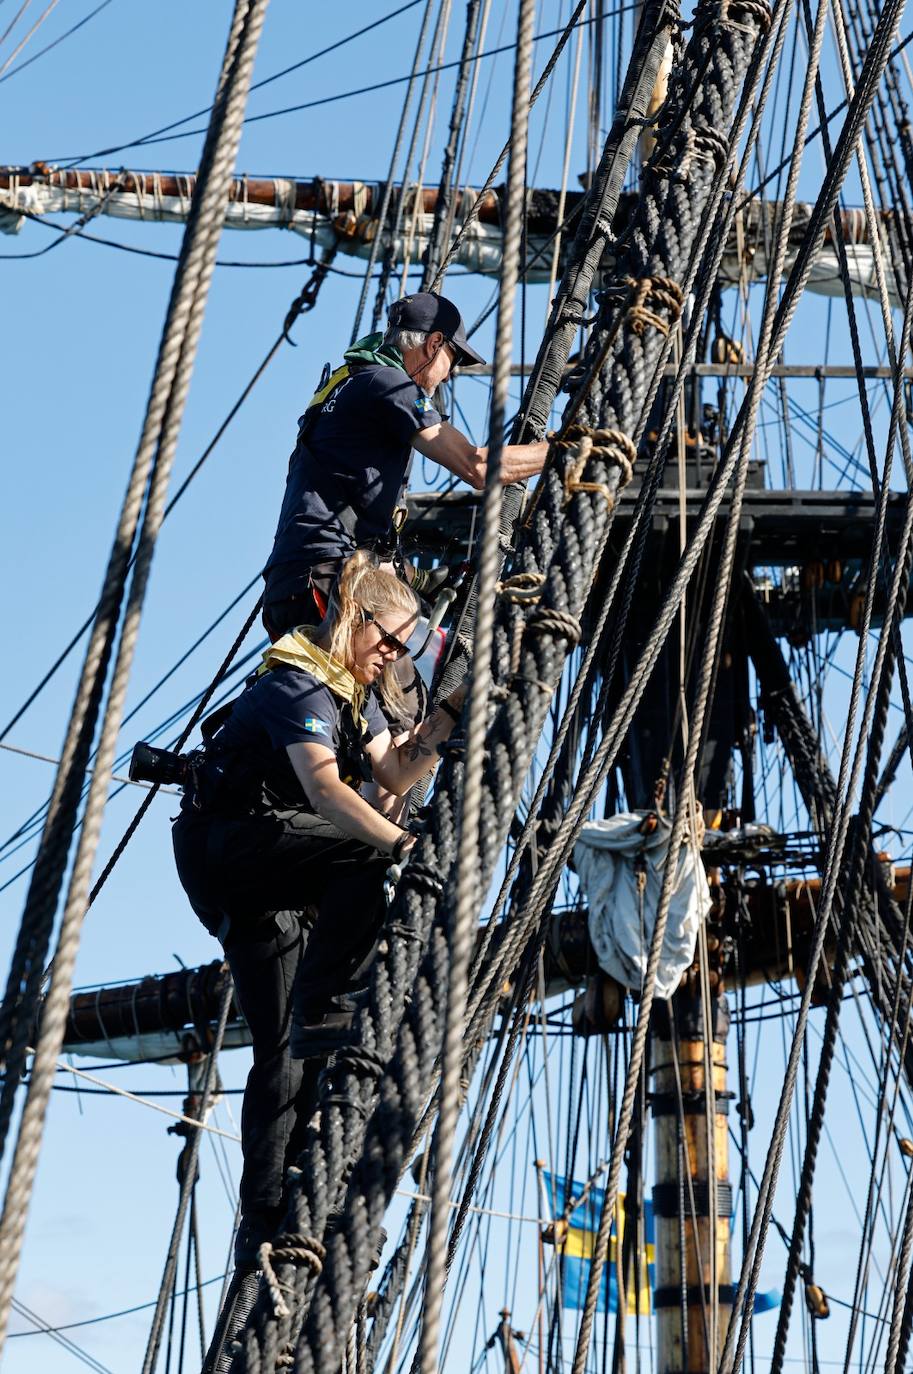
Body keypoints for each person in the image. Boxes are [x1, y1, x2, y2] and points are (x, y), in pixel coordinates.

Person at [172, 551, 466, 1268]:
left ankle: (265, 1222)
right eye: (387, 641)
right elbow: (329, 793)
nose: (393, 658)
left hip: (271, 871)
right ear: (350, 619)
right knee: (362, 851)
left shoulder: (344, 694)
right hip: (231, 852)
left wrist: (449, 716)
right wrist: (402, 843)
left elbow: (393, 770)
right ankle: (332, 1000)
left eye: (405, 647)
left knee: (283, 1050)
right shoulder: (294, 682)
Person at [261, 289, 551, 641]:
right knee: (435, 685)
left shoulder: (348, 379)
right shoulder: (390, 384)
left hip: (293, 584)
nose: (447, 376)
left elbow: (352, 511)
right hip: (331, 582)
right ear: (434, 344)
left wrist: (417, 580)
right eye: (453, 360)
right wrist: (563, 449)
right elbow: (476, 467)